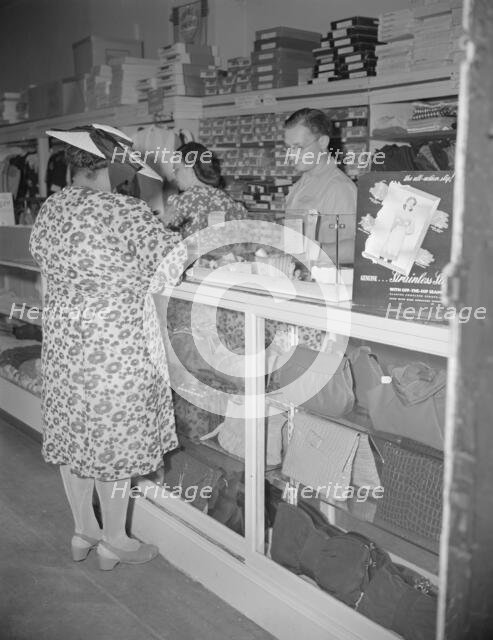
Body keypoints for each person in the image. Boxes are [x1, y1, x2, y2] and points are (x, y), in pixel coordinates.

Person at [29, 124, 186, 571]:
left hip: (65, 344)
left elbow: (44, 269)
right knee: (114, 442)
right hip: (117, 347)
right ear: (113, 166)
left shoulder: (52, 208)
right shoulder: (126, 213)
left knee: (76, 438)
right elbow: (173, 260)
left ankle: (84, 531)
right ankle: (115, 539)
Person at [283, 108, 357, 264]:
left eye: (298, 147)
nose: (291, 155)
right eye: (288, 147)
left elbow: (356, 248)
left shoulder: (339, 188)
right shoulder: (299, 186)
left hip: (326, 283)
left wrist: (311, 251)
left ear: (322, 142)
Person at [165, 142, 247, 240]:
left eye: (176, 170)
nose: (174, 176)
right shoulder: (225, 199)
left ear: (189, 168)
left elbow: (166, 238)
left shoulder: (182, 202)